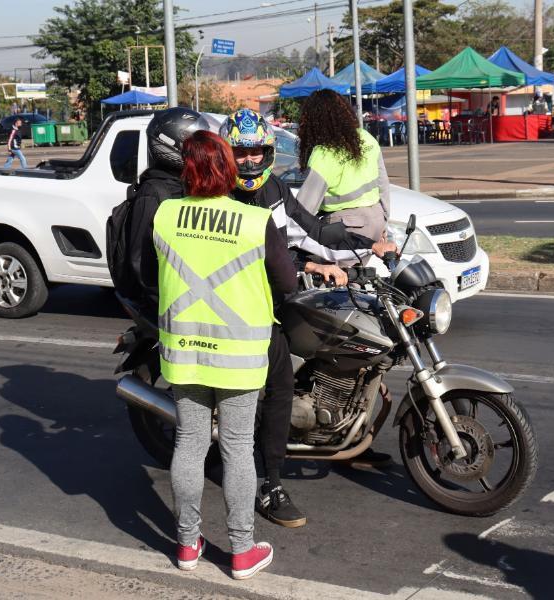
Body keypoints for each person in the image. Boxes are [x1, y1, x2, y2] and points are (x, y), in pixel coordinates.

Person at [219, 108, 398, 527]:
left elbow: (314, 231)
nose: (249, 161)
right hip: (240, 308)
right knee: (279, 385)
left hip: (275, 297)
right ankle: (270, 484)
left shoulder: (275, 190)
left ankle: (345, 432)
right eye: (240, 153)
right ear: (227, 154)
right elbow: (243, 261)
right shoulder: (222, 198)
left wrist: (367, 246)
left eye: (257, 151)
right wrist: (306, 269)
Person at [143, 130, 296, 579]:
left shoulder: (166, 215)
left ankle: (188, 546)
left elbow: (156, 271)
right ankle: (242, 551)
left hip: (184, 349)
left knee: (189, 443)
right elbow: (286, 283)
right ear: (229, 167)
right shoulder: (252, 221)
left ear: (185, 170)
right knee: (236, 448)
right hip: (240, 355)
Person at [125, 107, 210, 314]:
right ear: (169, 143)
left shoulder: (191, 185)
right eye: (195, 144)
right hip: (170, 307)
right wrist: (166, 301)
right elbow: (140, 260)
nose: (203, 151)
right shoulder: (153, 193)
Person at [295, 90, 390, 245]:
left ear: (314, 121)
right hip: (376, 220)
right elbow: (383, 185)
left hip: (346, 228)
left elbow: (303, 209)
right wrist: (384, 220)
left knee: (325, 268)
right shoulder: (366, 137)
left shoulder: (325, 153)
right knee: (359, 269)